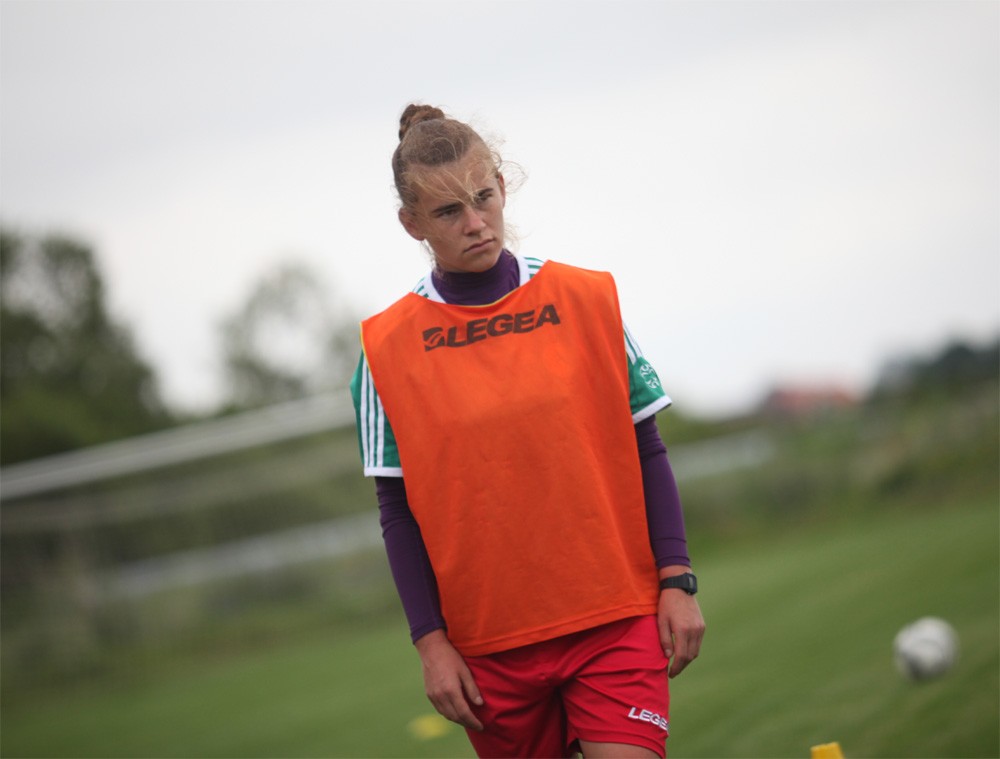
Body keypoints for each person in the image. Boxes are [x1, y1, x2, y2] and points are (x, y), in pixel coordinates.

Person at [350, 104, 705, 759]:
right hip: (488, 651)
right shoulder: (385, 350)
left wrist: (676, 579)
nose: (475, 223)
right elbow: (396, 510)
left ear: (502, 188)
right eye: (448, 211)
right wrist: (430, 642)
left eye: (483, 197)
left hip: (613, 617)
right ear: (412, 224)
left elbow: (646, 447)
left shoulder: (586, 299)